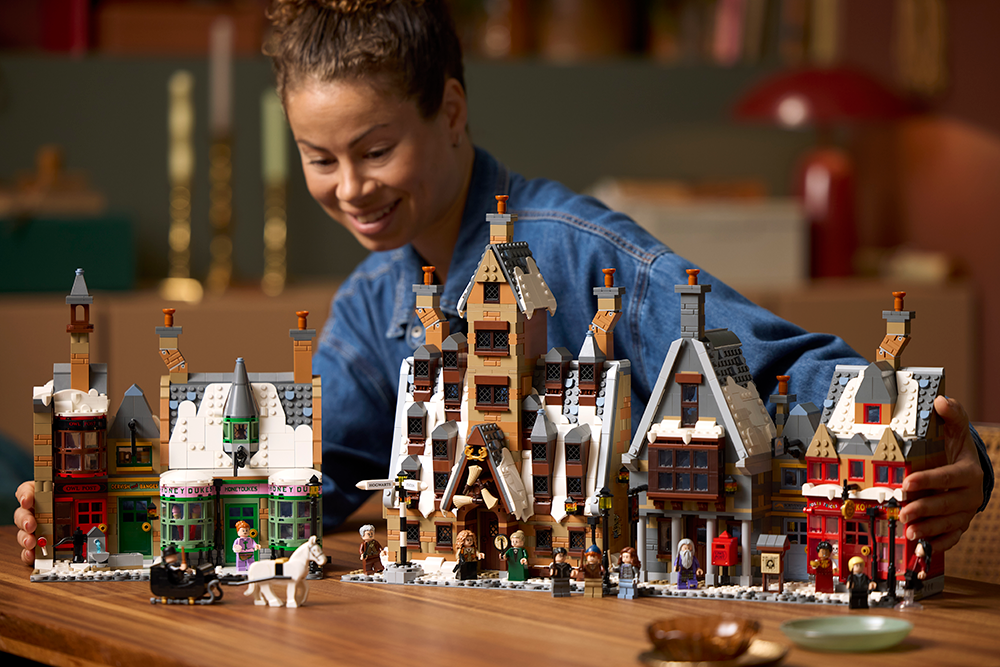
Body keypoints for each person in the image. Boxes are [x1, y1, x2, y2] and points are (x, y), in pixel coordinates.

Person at [13, 0, 992, 565]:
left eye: (375, 150)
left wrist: (945, 445)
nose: (349, 189)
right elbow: (298, 483)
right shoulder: (373, 300)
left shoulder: (577, 250)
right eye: (319, 158)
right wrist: (103, 511)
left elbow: (773, 367)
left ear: (450, 112)